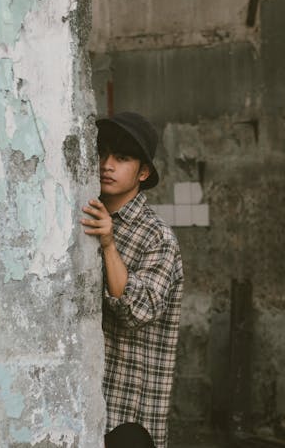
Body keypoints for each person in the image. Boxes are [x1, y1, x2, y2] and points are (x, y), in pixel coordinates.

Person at [81, 112, 184, 448]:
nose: (107, 165)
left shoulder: (158, 238)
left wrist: (109, 244)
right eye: (103, 154)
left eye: (121, 158)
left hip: (129, 416)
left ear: (143, 172)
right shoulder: (85, 216)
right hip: (85, 403)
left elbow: (138, 312)